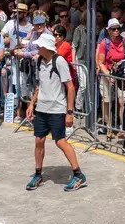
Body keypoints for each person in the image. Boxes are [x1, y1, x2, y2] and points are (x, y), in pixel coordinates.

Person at [25, 32, 86, 192]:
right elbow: (39, 85)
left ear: (46, 47)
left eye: (39, 45)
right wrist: (32, 104)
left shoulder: (59, 62)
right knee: (39, 140)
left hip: (57, 109)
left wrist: (70, 112)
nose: (37, 47)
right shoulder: (39, 61)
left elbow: (70, 86)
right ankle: (38, 174)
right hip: (42, 109)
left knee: (60, 141)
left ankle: (78, 175)